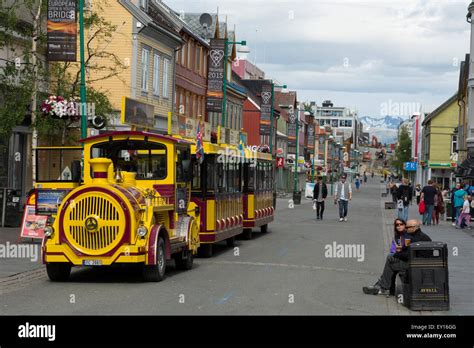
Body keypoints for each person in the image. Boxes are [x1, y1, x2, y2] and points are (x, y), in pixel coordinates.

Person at [363, 219, 432, 295]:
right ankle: (384, 286)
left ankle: (383, 287)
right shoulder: (419, 236)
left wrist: (396, 254)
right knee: (391, 260)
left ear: (414, 227)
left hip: (416, 265)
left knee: (390, 260)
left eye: (407, 227)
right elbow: (407, 252)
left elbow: (407, 255)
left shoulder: (416, 238)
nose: (406, 228)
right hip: (417, 262)